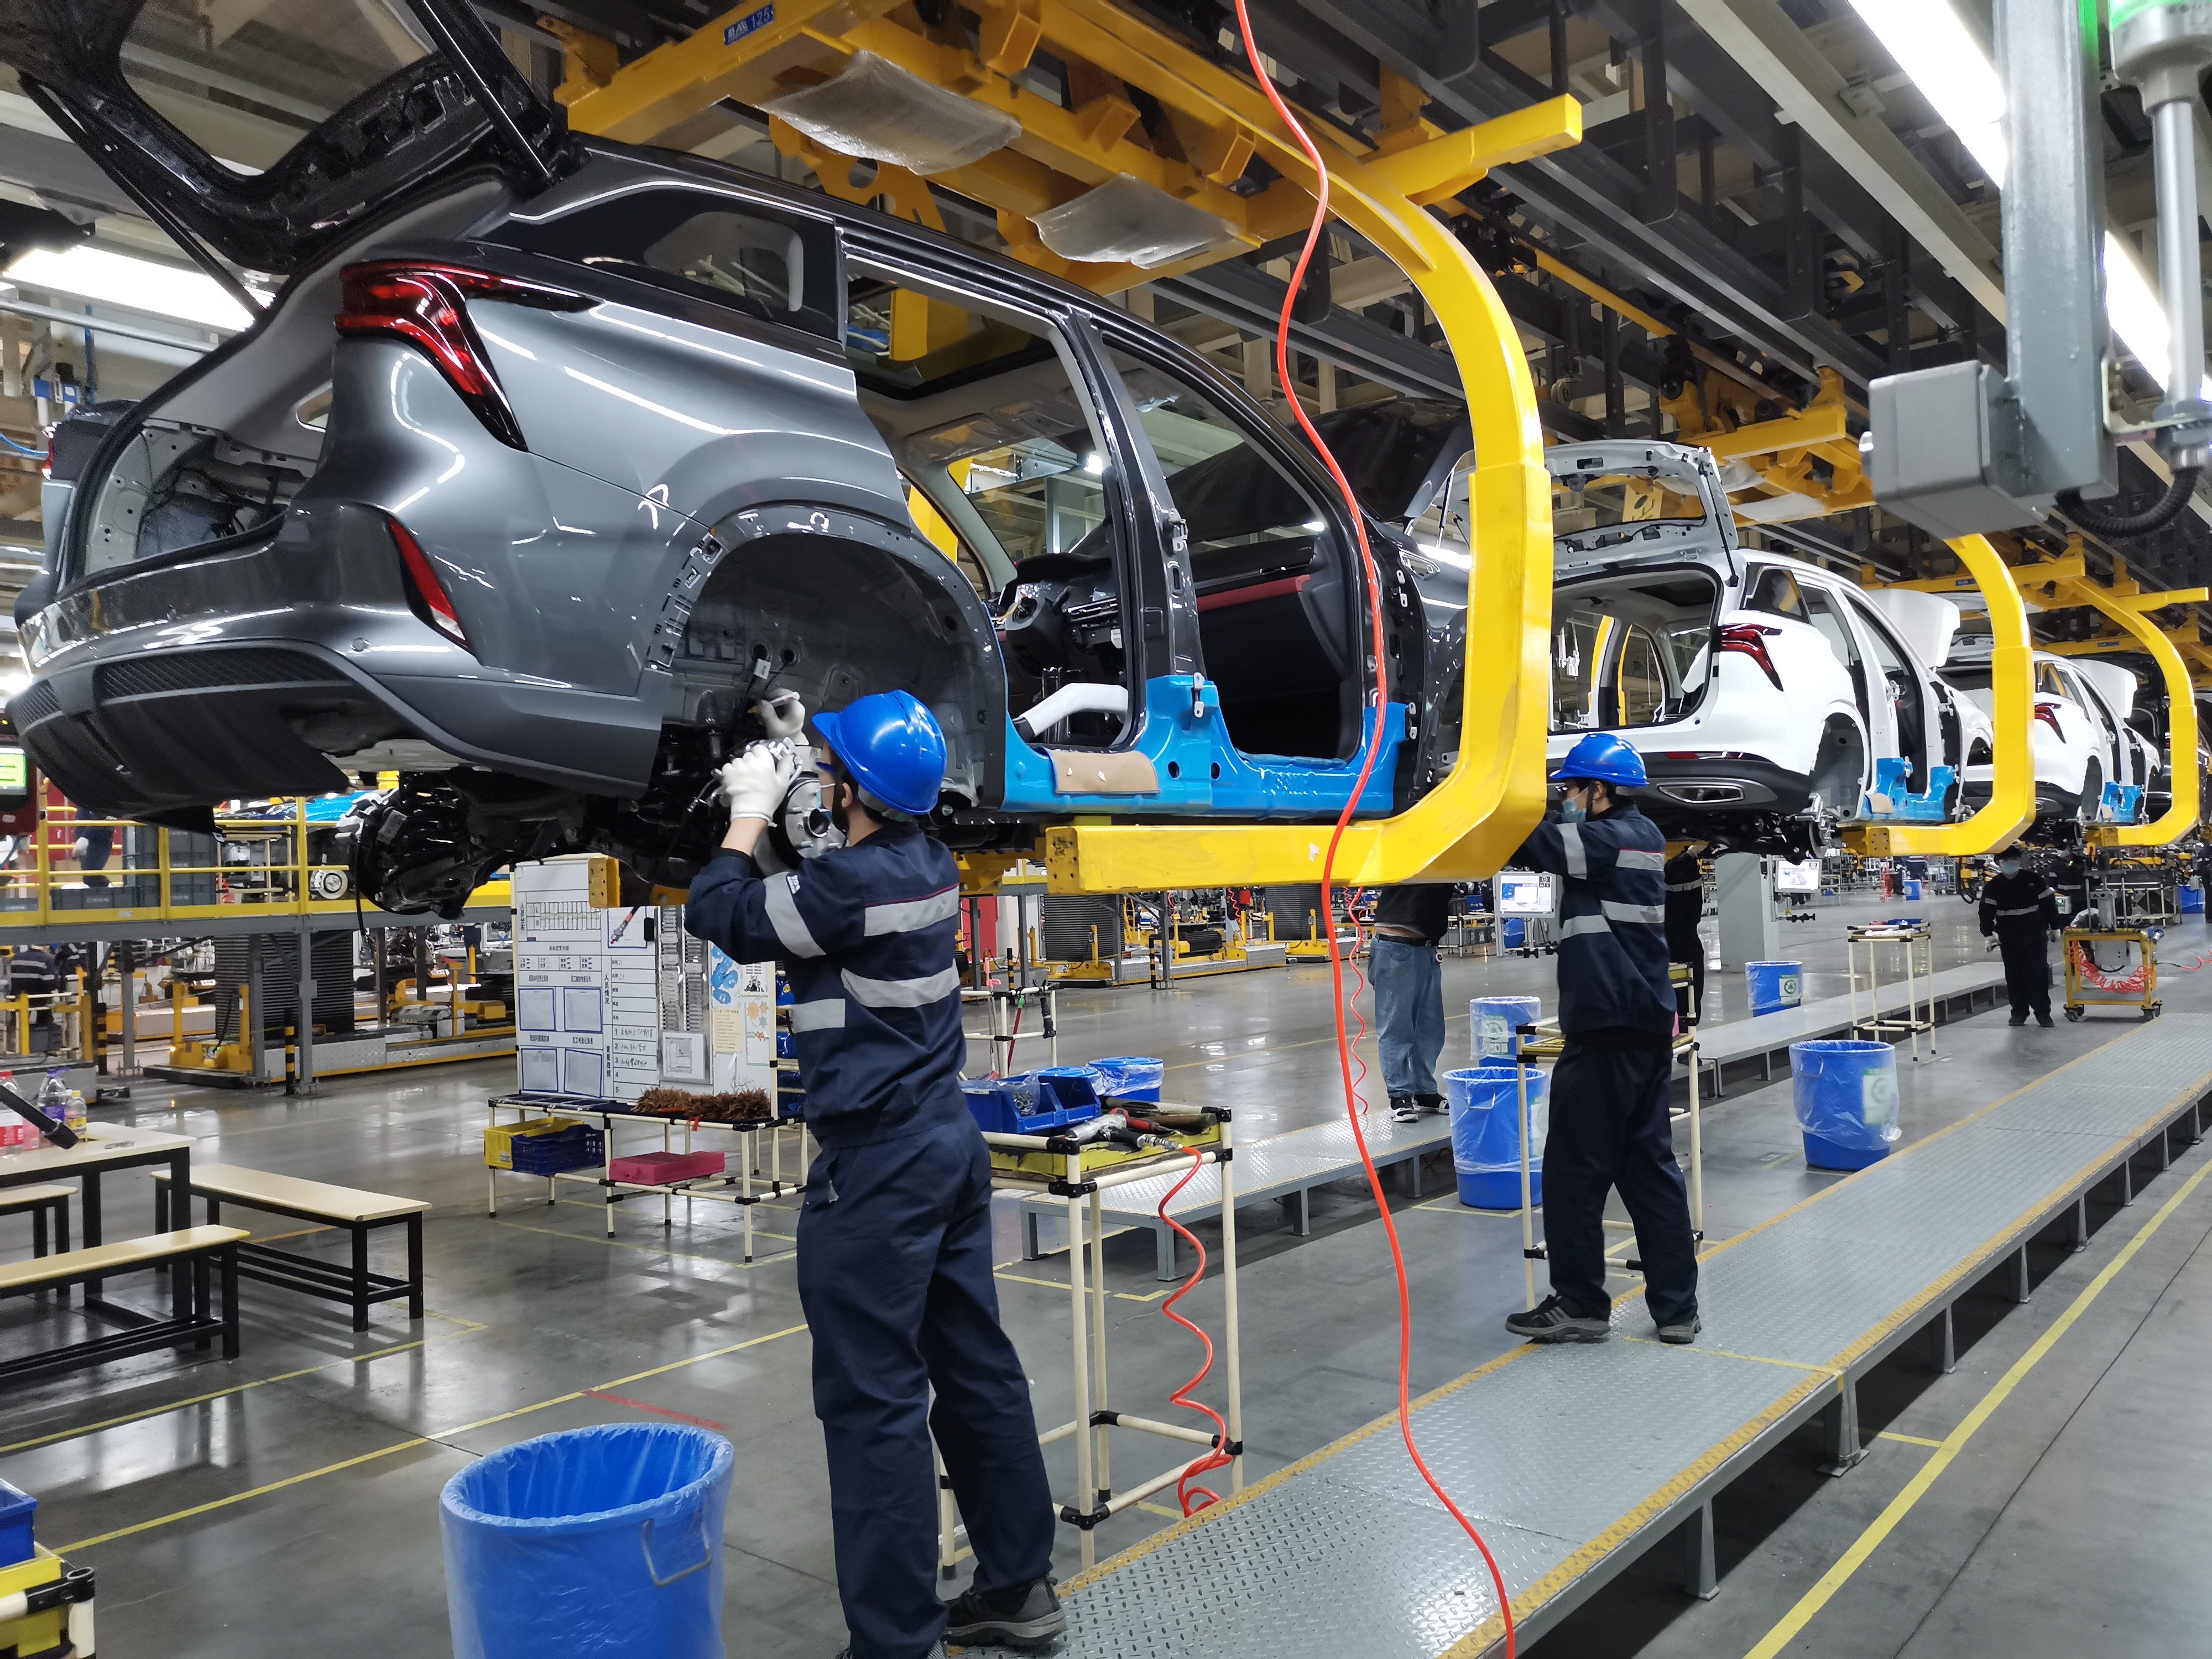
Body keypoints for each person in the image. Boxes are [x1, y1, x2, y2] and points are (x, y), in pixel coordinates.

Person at [685, 690, 1062, 1659]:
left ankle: (895, 1642)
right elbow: (823, 879)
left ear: (852, 790)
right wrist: (788, 768)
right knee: (974, 1366)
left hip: (879, 1170)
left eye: (831, 768)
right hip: (946, 1148)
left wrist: (746, 811)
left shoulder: (844, 892)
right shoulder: (923, 863)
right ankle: (1019, 1588)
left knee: (874, 1400)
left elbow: (720, 911)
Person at [1500, 733, 1700, 1347]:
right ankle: (1676, 1310)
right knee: (1648, 1169)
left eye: (1571, 790)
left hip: (1609, 1028)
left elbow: (1538, 844)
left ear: (1601, 791)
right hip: (1638, 1024)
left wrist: (1500, 794)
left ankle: (1583, 1303)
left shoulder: (1618, 837)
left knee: (1571, 1172)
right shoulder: (1629, 838)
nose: (1566, 800)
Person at [1371, 883, 1453, 1123]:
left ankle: (1424, 1091)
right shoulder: (1414, 850)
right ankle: (1400, 1095)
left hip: (1426, 948)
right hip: (1396, 946)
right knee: (1397, 1025)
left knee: (1430, 1027)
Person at [1979, 848, 2064, 1026]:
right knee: (2014, 976)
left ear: (2019, 860)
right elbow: (1985, 912)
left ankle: (2043, 1015)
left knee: (2037, 975)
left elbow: (2049, 905)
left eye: (2014, 859)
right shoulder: (1994, 886)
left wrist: (2055, 927)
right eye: (2006, 860)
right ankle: (2019, 1013)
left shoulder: (2034, 880)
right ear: (1999, 863)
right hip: (2009, 937)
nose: (2011, 863)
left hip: (2035, 935)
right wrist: (1988, 934)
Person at [1661, 846, 1707, 1026]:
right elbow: (1672, 872)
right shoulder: (1674, 868)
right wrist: (1691, 853)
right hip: (1680, 942)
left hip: (1680, 940)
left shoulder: (1679, 867)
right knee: (1686, 998)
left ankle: (1684, 1039)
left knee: (1688, 997)